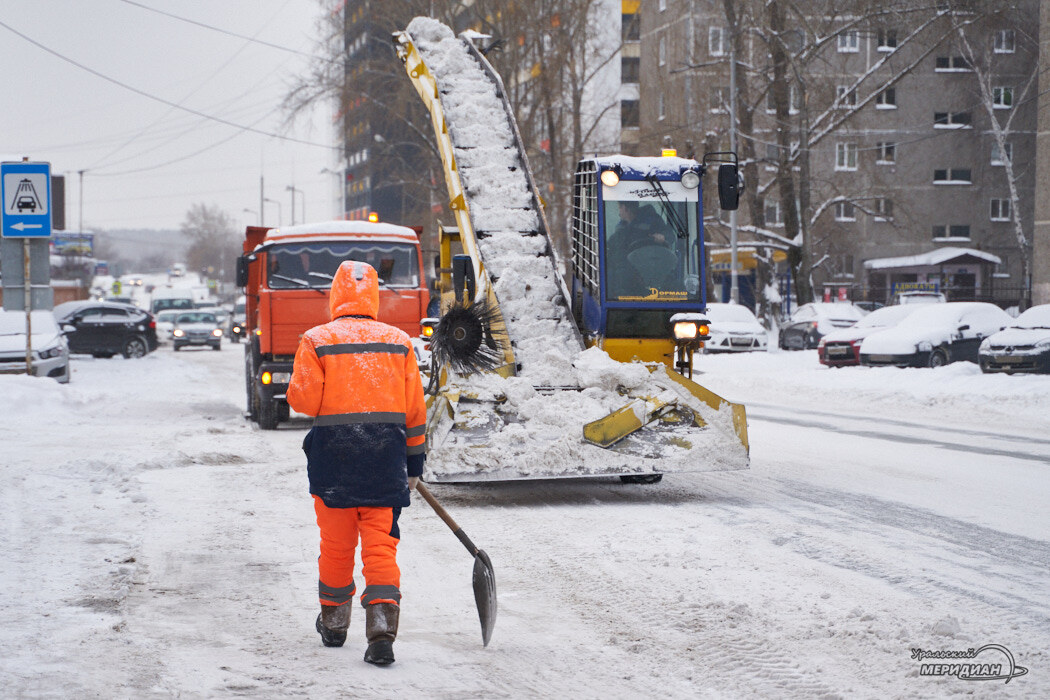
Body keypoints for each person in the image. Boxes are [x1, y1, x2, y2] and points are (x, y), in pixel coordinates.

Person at [286, 260, 427, 665]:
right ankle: (381, 630)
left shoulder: (316, 340)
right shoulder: (399, 342)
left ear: (335, 295)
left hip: (334, 463)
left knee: (336, 547)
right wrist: (413, 465)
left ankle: (333, 624)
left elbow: (303, 402)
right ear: (374, 296)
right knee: (381, 549)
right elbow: (414, 412)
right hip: (385, 462)